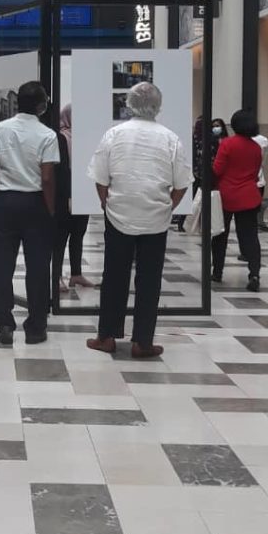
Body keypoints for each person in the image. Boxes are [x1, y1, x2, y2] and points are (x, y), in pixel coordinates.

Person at [85, 82, 190, 360]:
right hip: (156, 218)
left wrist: (106, 203)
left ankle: (106, 336)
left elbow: (100, 177)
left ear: (129, 103)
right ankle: (142, 342)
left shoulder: (114, 134)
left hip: (119, 214)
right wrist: (168, 206)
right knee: (149, 279)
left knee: (114, 276)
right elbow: (182, 183)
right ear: (159, 105)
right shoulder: (171, 139)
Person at [0, 81, 60, 345]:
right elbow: (48, 177)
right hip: (35, 203)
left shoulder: (0, 129)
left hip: (5, 203)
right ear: (42, 106)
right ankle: (36, 327)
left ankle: (4, 324)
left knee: (1, 266)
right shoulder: (48, 135)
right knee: (38, 267)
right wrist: (50, 209)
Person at [211, 110, 264, 292]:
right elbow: (256, 172)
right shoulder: (256, 148)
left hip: (226, 195)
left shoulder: (227, 144)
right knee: (250, 237)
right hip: (249, 196)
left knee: (219, 235)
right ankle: (254, 274)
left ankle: (217, 272)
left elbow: (217, 170)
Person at [54, 105, 96, 293]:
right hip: (66, 194)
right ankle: (56, 277)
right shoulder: (61, 137)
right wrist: (69, 196)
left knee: (78, 234)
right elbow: (62, 171)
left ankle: (76, 274)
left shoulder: (83, 137)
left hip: (82, 191)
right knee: (61, 237)